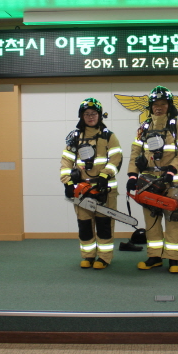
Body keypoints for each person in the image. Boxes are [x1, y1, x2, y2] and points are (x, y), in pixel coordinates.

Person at [126, 86, 178, 273]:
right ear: (150, 106)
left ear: (169, 106)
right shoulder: (144, 128)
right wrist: (132, 175)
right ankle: (154, 257)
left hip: (173, 182)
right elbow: (135, 153)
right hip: (148, 182)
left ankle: (173, 259)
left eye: (163, 104)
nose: (159, 107)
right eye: (155, 104)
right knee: (152, 221)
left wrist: (172, 170)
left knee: (173, 221)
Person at [61, 98, 123, 270]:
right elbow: (66, 161)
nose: (90, 117)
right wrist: (68, 183)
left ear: (100, 115)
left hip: (105, 189)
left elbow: (116, 159)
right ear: (81, 116)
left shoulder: (108, 136)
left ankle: (104, 257)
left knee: (104, 225)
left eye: (93, 114)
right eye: (87, 114)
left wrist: (104, 175)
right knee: (85, 224)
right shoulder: (75, 137)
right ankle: (88, 256)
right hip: (82, 189)